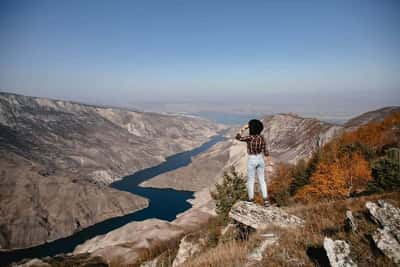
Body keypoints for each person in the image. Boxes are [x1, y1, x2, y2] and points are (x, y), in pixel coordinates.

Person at [235, 119, 271, 207]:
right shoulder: (262, 138)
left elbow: (238, 137)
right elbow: (266, 152)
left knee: (251, 180)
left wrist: (243, 129)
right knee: (262, 180)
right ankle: (266, 200)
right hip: (260, 159)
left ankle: (250, 199)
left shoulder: (250, 138)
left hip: (252, 159)